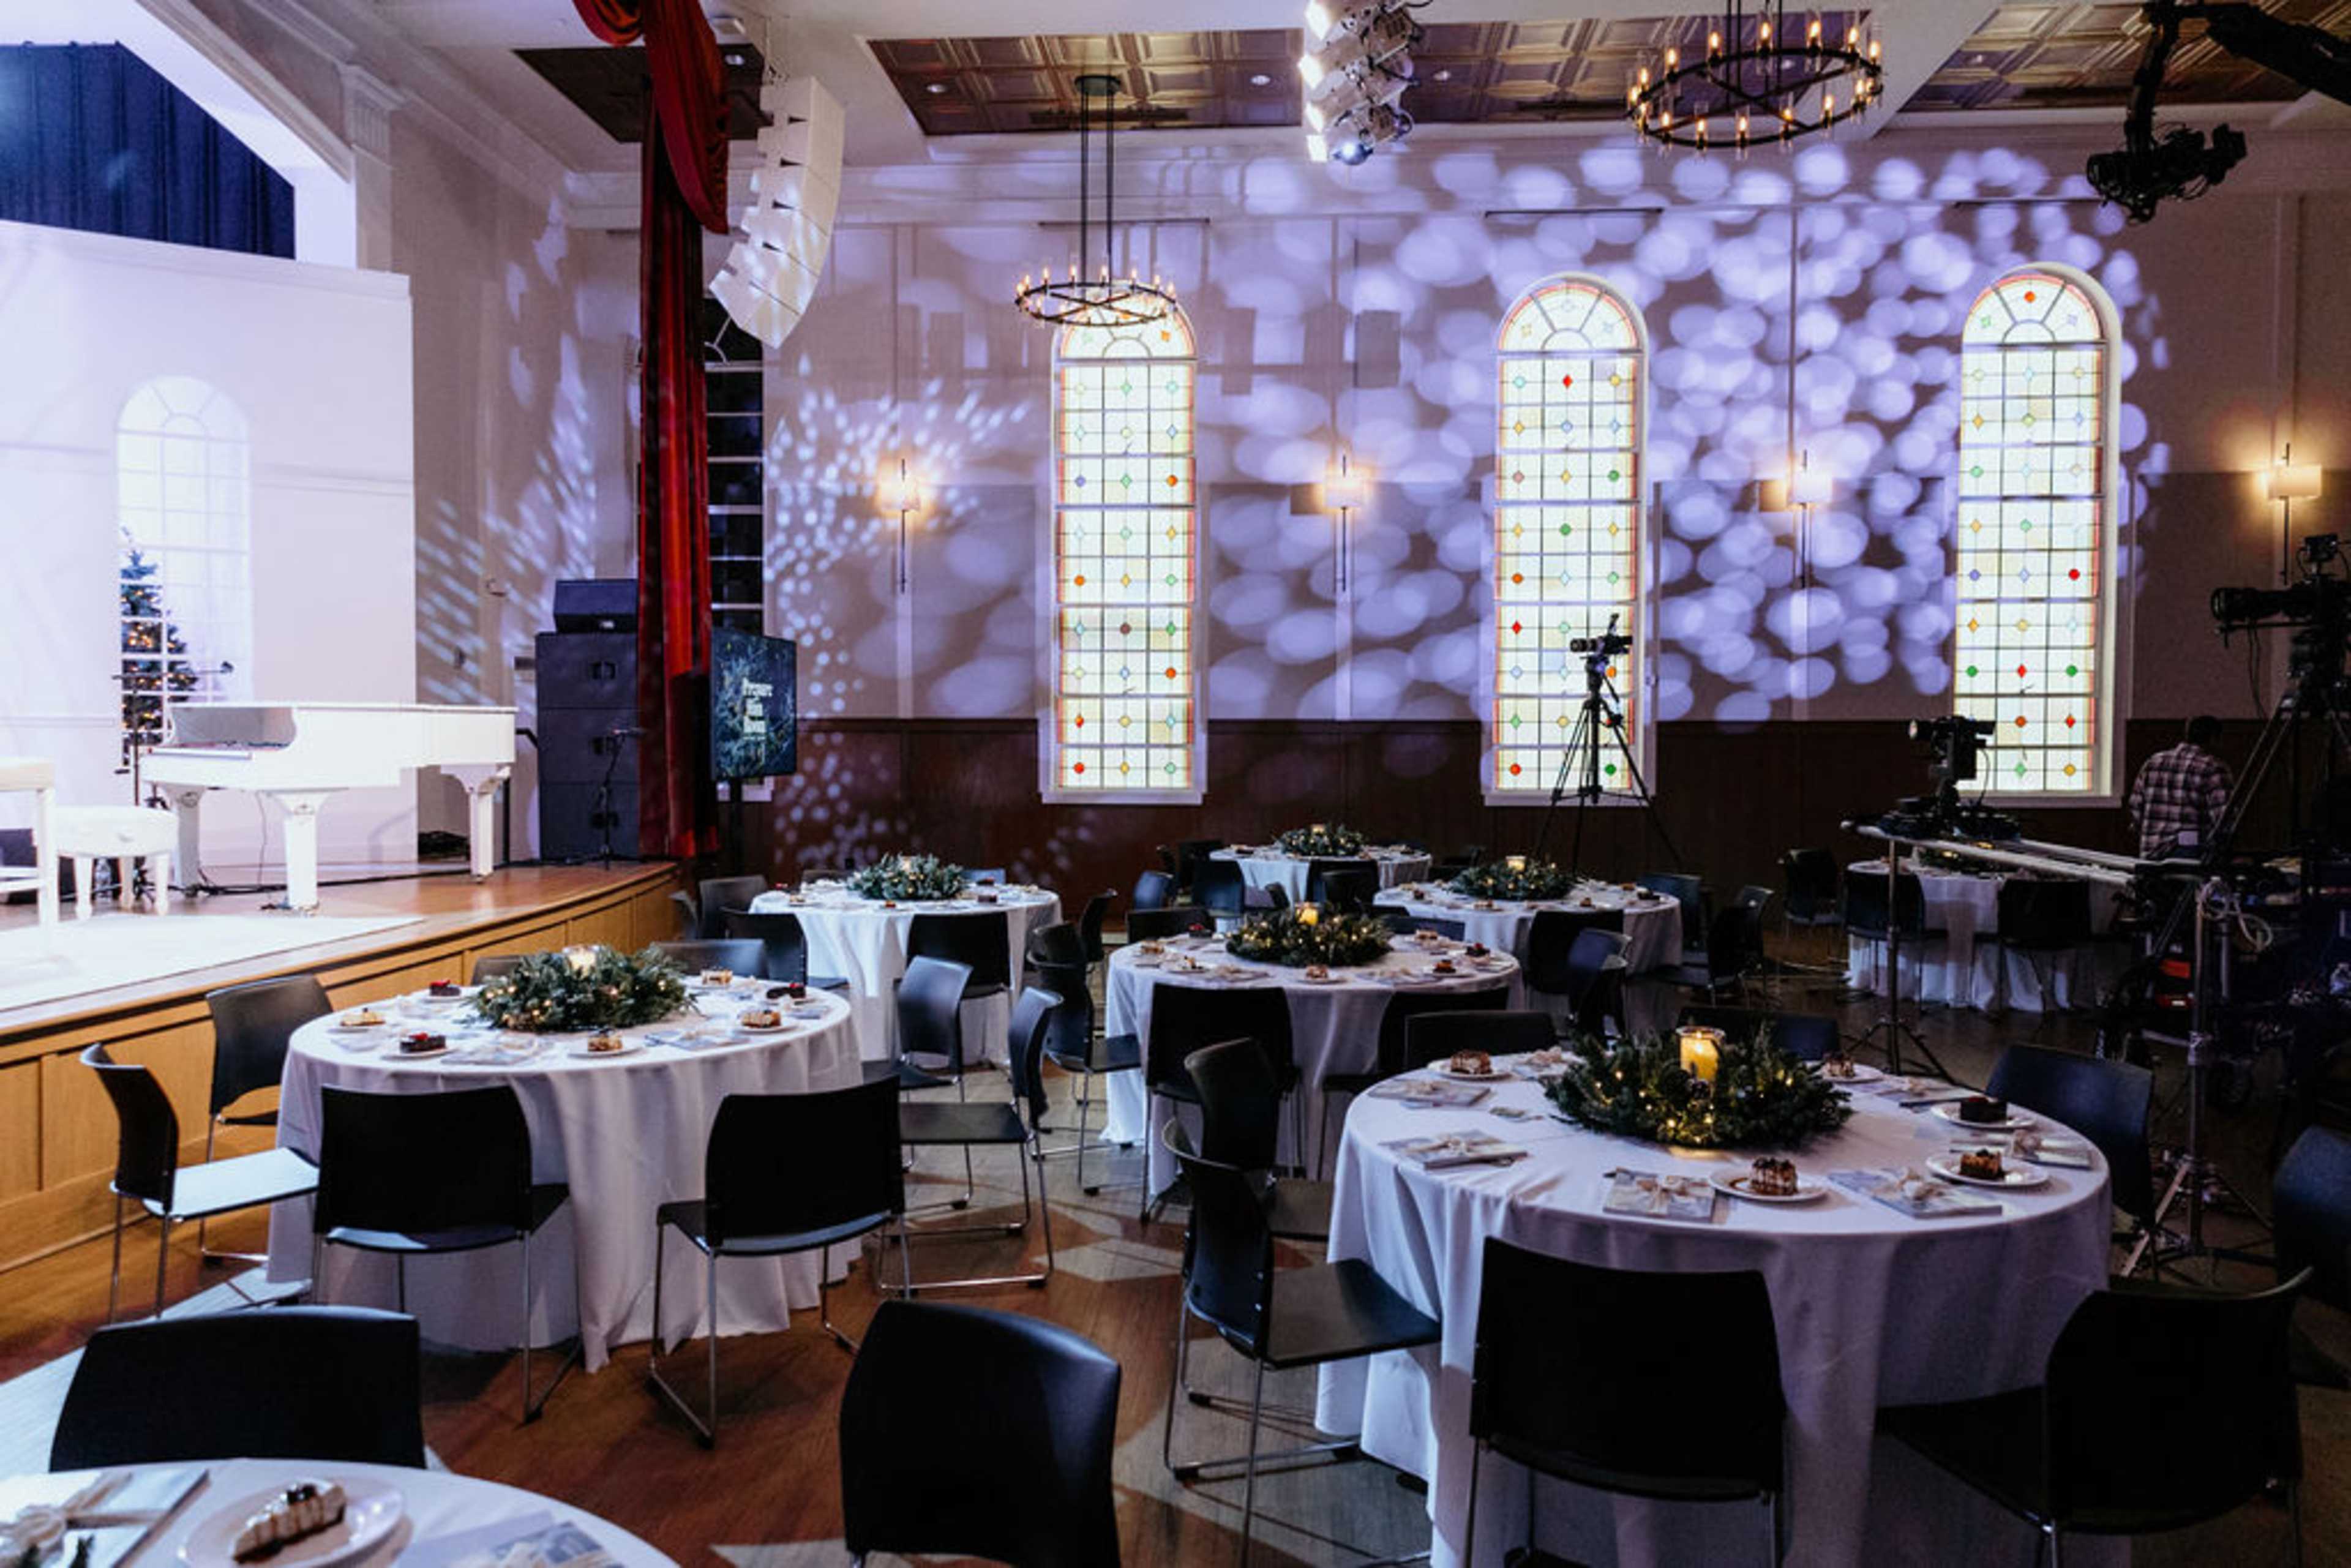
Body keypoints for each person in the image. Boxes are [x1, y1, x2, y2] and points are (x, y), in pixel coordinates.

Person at [2128, 716, 2231, 860]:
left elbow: (2136, 809)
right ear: (2214, 738)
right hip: (2188, 850)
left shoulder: (2153, 762)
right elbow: (2224, 819)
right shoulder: (2212, 768)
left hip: (2151, 850)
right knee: (2198, 839)